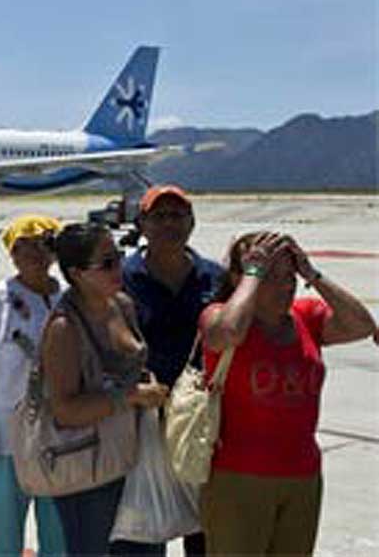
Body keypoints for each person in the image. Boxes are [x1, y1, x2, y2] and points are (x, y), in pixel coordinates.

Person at [199, 231, 375, 556]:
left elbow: (362, 325)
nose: (285, 286)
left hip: (302, 476)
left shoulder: (306, 317)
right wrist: (253, 274)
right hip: (239, 477)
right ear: (241, 277)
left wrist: (312, 274)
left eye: (288, 276)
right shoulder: (219, 315)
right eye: (271, 277)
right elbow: (227, 333)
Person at [42, 223, 168, 556]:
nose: (119, 268)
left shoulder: (122, 305)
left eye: (119, 257)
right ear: (77, 274)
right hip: (90, 471)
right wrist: (130, 397)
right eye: (107, 263)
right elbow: (64, 411)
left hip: (135, 456)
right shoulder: (64, 329)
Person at [120, 185, 223, 556]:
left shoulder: (215, 278)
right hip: (142, 421)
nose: (169, 223)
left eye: (177, 215)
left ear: (192, 222)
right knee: (141, 533)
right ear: (142, 224)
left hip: (201, 423)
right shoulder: (121, 276)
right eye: (158, 216)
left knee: (207, 533)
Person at [0, 214, 67, 556]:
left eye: (43, 244)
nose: (35, 253)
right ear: (12, 253)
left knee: (57, 531)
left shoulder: (68, 297)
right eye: (25, 246)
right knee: (6, 531)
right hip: (9, 433)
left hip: (57, 434)